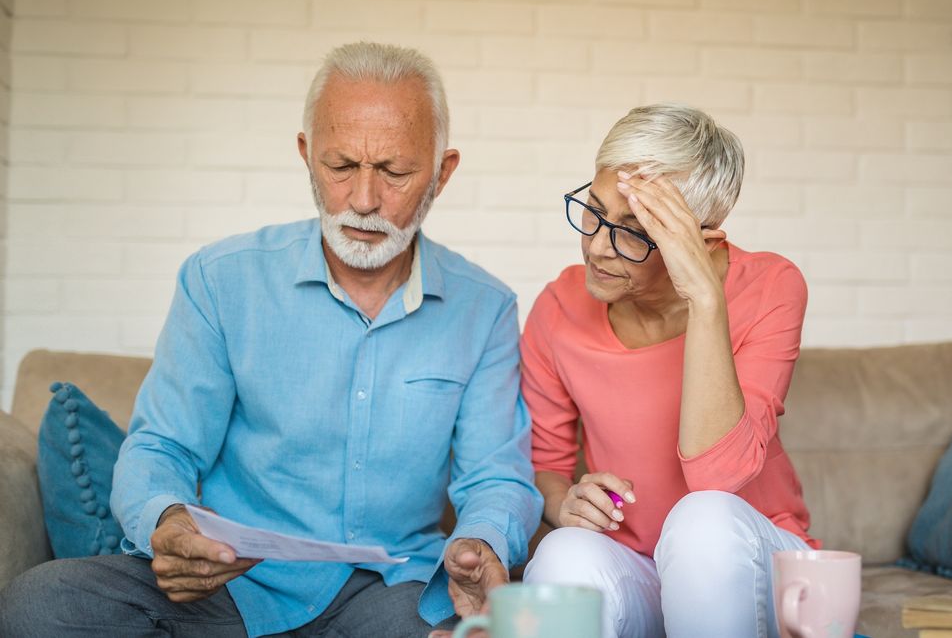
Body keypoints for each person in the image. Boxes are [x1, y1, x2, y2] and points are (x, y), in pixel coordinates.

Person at [0, 42, 542, 638]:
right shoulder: (219, 279)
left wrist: (482, 540)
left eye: (394, 171)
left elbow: (495, 476)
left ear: (442, 171)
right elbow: (163, 446)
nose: (363, 201)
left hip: (388, 595)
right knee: (40, 604)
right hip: (230, 585)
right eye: (341, 167)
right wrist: (169, 518)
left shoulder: (485, 309)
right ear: (307, 154)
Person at [519, 103, 819, 638]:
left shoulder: (772, 286)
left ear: (698, 241)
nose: (595, 246)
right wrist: (566, 502)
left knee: (703, 521)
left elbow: (717, 480)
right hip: (639, 567)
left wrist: (704, 297)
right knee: (564, 554)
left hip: (757, 565)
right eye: (593, 210)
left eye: (635, 231)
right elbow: (547, 466)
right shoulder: (559, 307)